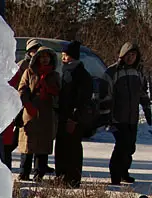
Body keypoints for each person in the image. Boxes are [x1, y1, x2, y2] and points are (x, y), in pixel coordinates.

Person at [100, 42, 152, 185]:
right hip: (117, 117)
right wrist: (106, 115)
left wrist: (147, 109)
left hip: (132, 117)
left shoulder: (138, 72)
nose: (131, 58)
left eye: (133, 55)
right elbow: (106, 94)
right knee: (122, 146)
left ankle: (124, 172)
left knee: (130, 146)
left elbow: (142, 92)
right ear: (122, 55)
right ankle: (115, 175)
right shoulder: (113, 72)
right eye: (128, 55)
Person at [18, 46, 61, 181]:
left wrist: (50, 91)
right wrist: (28, 105)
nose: (45, 60)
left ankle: (39, 173)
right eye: (42, 57)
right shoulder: (29, 72)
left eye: (47, 57)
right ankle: (24, 172)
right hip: (30, 112)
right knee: (27, 145)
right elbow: (22, 90)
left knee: (42, 146)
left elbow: (59, 93)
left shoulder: (54, 75)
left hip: (46, 114)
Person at [55, 41, 93, 188]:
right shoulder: (64, 71)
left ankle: (73, 178)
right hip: (62, 116)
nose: (63, 59)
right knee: (61, 147)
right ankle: (61, 177)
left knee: (73, 148)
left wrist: (74, 118)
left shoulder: (82, 75)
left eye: (66, 56)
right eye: (63, 56)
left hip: (74, 118)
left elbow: (83, 99)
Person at [3, 38, 42, 170]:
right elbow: (14, 85)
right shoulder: (23, 66)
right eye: (34, 50)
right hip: (19, 105)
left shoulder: (41, 66)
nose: (36, 52)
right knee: (16, 138)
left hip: (34, 105)